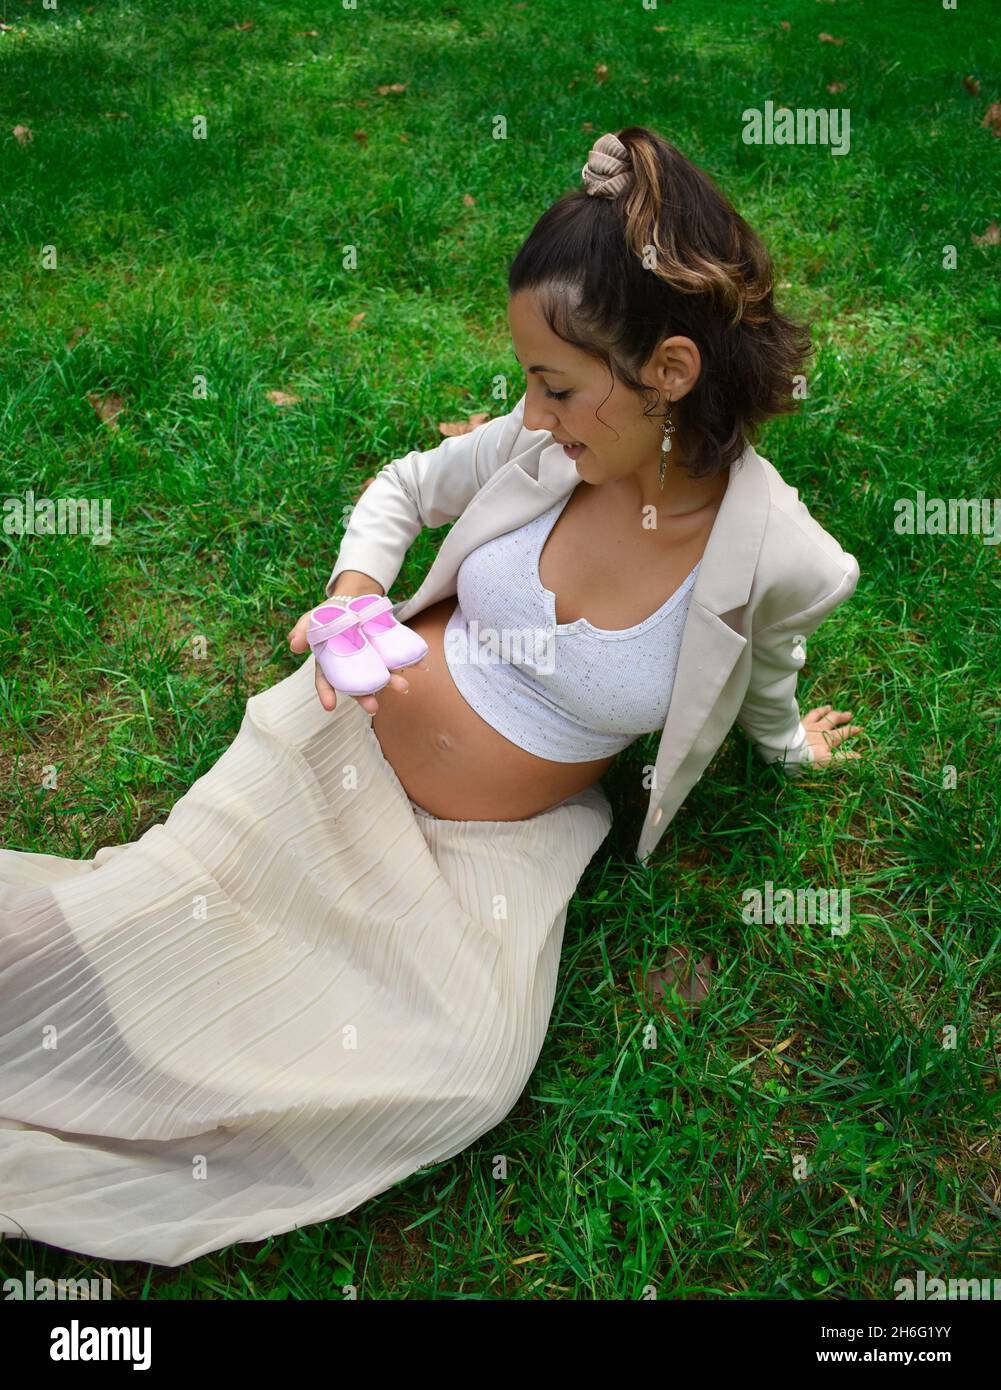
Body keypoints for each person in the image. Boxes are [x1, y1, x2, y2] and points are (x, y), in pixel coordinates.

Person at [0, 127, 862, 1268]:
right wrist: (358, 586)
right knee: (143, 923)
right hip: (331, 756)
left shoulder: (781, 556)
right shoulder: (541, 443)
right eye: (528, 385)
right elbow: (406, 487)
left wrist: (789, 747)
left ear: (666, 373)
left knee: (466, 1065)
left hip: (476, 858)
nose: (530, 413)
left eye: (555, 386)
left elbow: (763, 675)